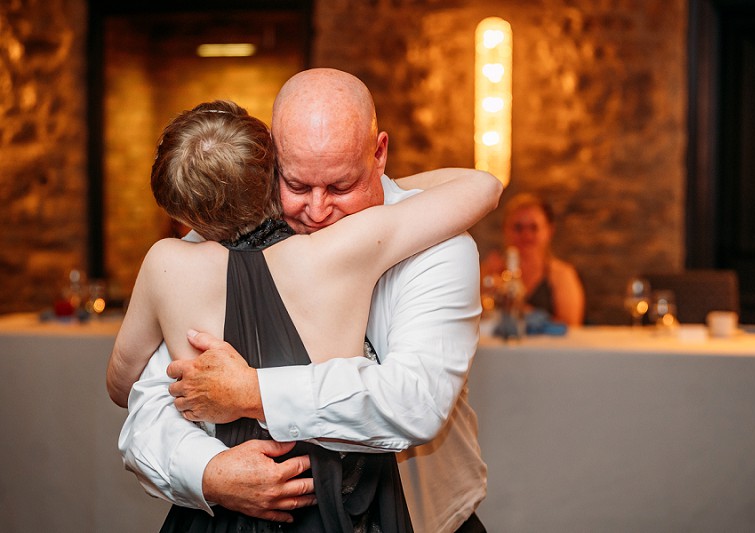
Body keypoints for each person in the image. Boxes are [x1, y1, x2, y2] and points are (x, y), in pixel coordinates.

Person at [118, 69, 493, 533]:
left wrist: (254, 393)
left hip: (427, 521)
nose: (317, 211)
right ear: (274, 157)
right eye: (297, 186)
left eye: (340, 187)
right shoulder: (219, 240)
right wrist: (207, 472)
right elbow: (149, 404)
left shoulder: (440, 247)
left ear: (378, 153)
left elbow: (413, 401)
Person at [480, 192, 585, 326]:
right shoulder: (490, 271)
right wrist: (486, 289)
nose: (526, 235)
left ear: (549, 231)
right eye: (518, 228)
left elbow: (571, 327)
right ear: (505, 229)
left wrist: (516, 307)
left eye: (534, 228)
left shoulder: (561, 275)